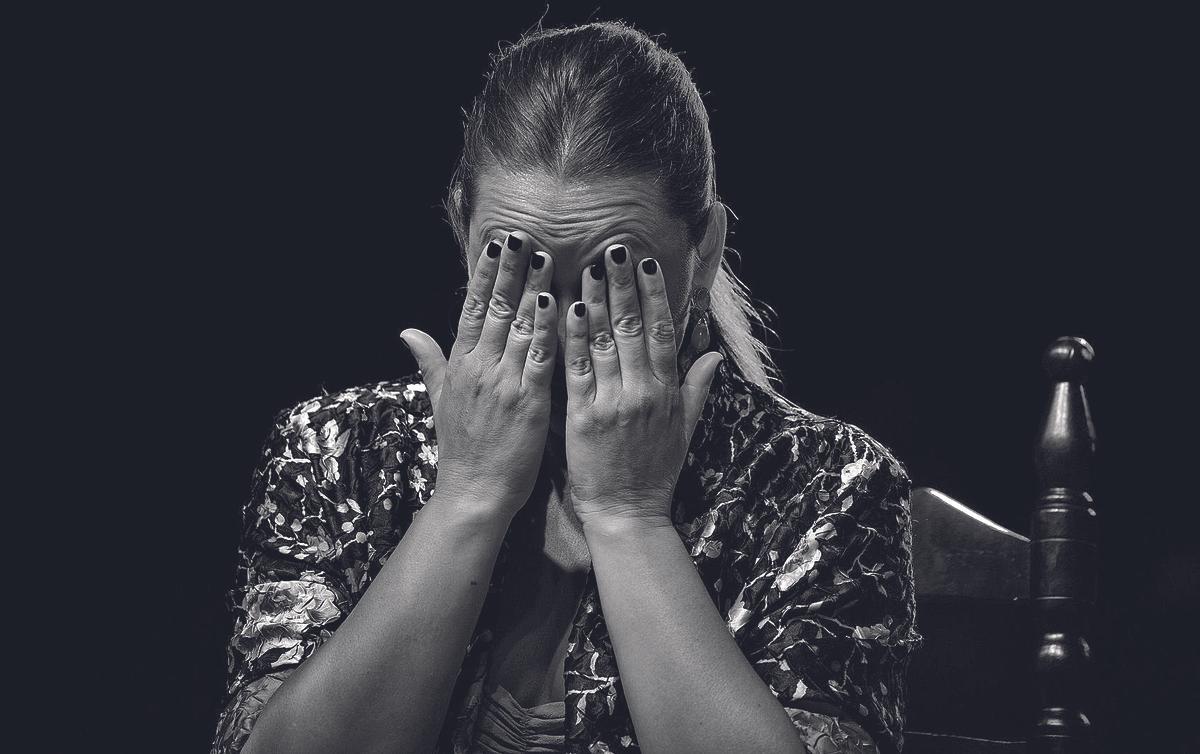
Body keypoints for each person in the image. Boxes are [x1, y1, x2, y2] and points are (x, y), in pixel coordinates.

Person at [211, 19, 922, 754]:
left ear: (703, 251)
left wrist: (629, 517)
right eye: (517, 266)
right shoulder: (334, 453)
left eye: (615, 273)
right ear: (463, 230)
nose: (563, 326)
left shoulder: (830, 486)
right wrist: (468, 496)